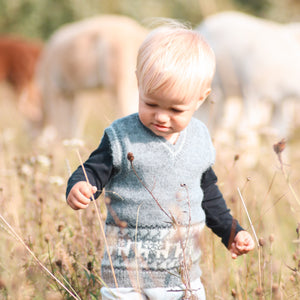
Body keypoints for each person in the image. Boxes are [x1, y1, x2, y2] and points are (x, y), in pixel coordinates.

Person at [66, 22, 255, 300]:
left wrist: (231, 232)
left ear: (201, 99)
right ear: (139, 85)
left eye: (176, 109)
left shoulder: (200, 137)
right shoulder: (122, 136)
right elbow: (93, 170)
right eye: (151, 103)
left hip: (180, 276)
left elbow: (208, 194)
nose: (161, 117)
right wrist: (80, 184)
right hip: (126, 274)